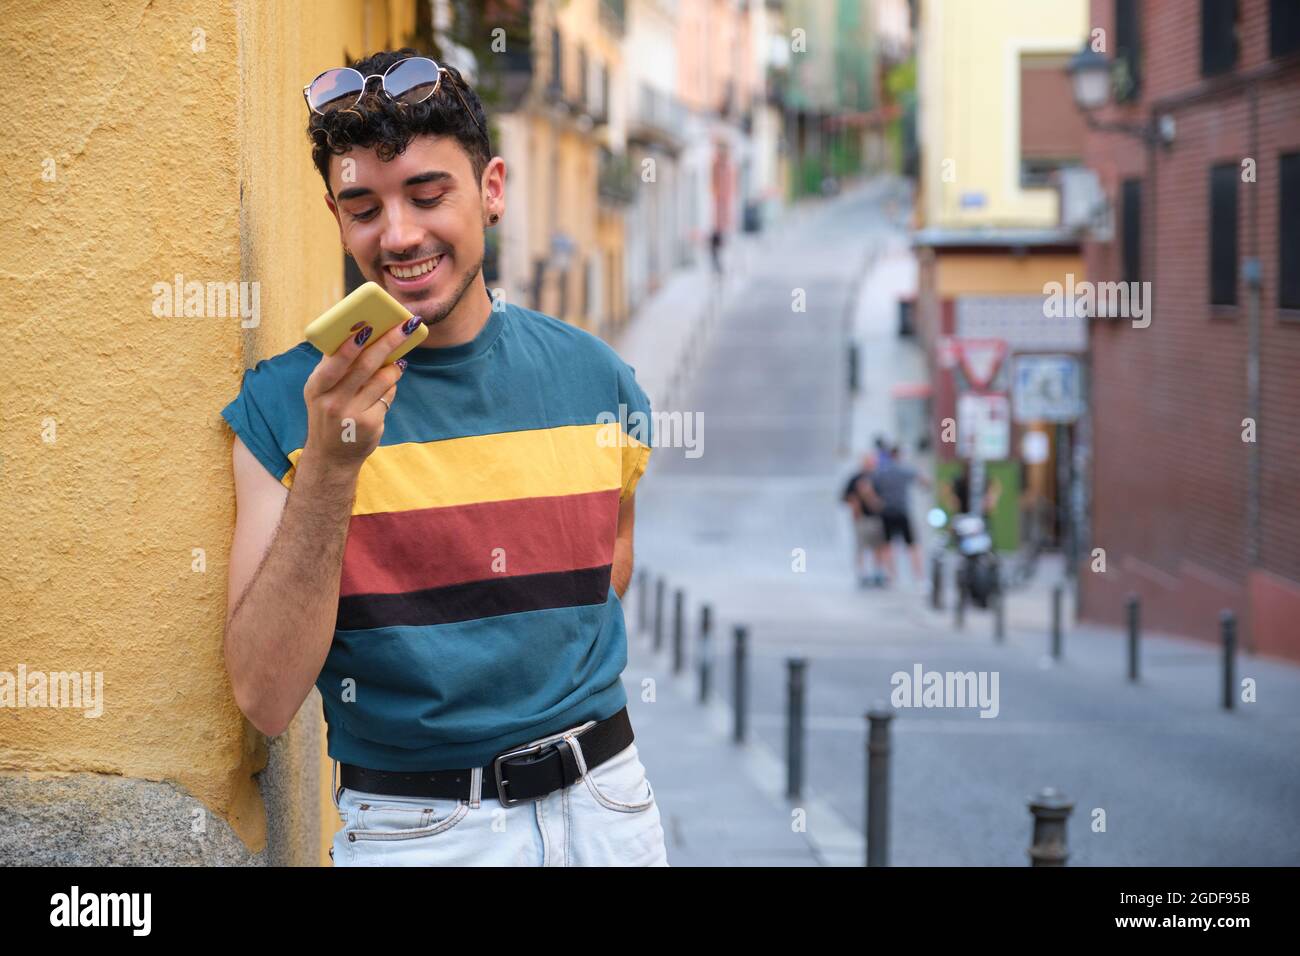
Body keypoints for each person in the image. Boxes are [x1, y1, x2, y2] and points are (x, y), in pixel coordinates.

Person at [219, 49, 667, 866]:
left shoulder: (596, 377)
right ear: (335, 214)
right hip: (417, 834)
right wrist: (329, 469)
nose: (399, 235)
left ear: (491, 191)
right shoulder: (281, 408)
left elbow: (609, 570)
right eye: (363, 207)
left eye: (429, 195)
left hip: (610, 808)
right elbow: (265, 698)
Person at [871, 444, 931, 586]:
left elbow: (870, 487)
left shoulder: (881, 472)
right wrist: (927, 485)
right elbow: (922, 480)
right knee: (912, 545)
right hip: (902, 510)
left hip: (886, 511)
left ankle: (892, 575)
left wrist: (876, 503)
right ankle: (919, 577)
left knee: (887, 545)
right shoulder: (904, 470)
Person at [842, 453, 887, 587]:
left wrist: (869, 495)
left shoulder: (878, 478)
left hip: (876, 518)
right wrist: (855, 503)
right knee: (860, 547)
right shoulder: (855, 478)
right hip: (860, 519)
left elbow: (883, 501)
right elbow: (845, 497)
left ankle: (878, 572)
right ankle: (862, 573)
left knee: (878, 546)